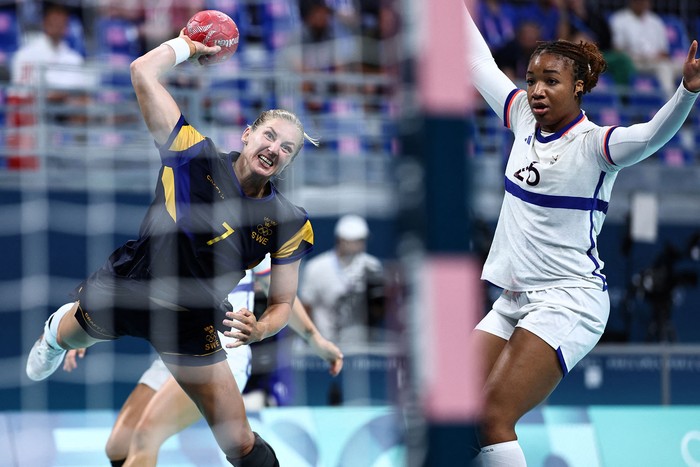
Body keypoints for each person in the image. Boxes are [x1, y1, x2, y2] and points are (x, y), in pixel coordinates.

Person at [25, 27, 318, 467]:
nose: (275, 149)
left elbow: (281, 302)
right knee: (68, 337)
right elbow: (142, 71)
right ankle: (54, 333)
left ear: (289, 162)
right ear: (247, 135)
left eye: (287, 148)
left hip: (192, 316)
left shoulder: (289, 221)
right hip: (130, 286)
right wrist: (187, 45)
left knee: (240, 444)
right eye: (269, 136)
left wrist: (260, 329)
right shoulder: (191, 155)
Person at [463, 3, 700, 465]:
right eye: (532, 79)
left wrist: (687, 92)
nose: (536, 90)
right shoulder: (522, 120)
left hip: (569, 300)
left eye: (551, 81)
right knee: (452, 406)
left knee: (494, 415)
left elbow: (651, 136)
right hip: (515, 297)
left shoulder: (596, 147)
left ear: (578, 86)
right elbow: (476, 63)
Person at [62, 256, 344, 466]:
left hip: (222, 354)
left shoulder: (251, 234)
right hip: (174, 350)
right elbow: (128, 284)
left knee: (146, 436)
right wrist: (86, 331)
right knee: (118, 448)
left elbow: (283, 298)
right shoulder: (175, 226)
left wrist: (315, 340)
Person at [300, 214, 385, 346]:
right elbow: (306, 307)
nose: (360, 245)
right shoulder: (316, 268)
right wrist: (312, 339)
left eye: (362, 240)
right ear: (341, 240)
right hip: (325, 342)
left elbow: (378, 311)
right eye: (356, 241)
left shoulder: (372, 266)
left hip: (360, 345)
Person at [609, 0, 682, 98]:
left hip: (655, 60)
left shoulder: (655, 21)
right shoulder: (619, 19)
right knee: (664, 68)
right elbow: (617, 50)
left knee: (690, 67)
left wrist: (654, 57)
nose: (641, 3)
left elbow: (664, 52)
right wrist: (639, 56)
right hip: (633, 61)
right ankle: (672, 104)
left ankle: (690, 103)